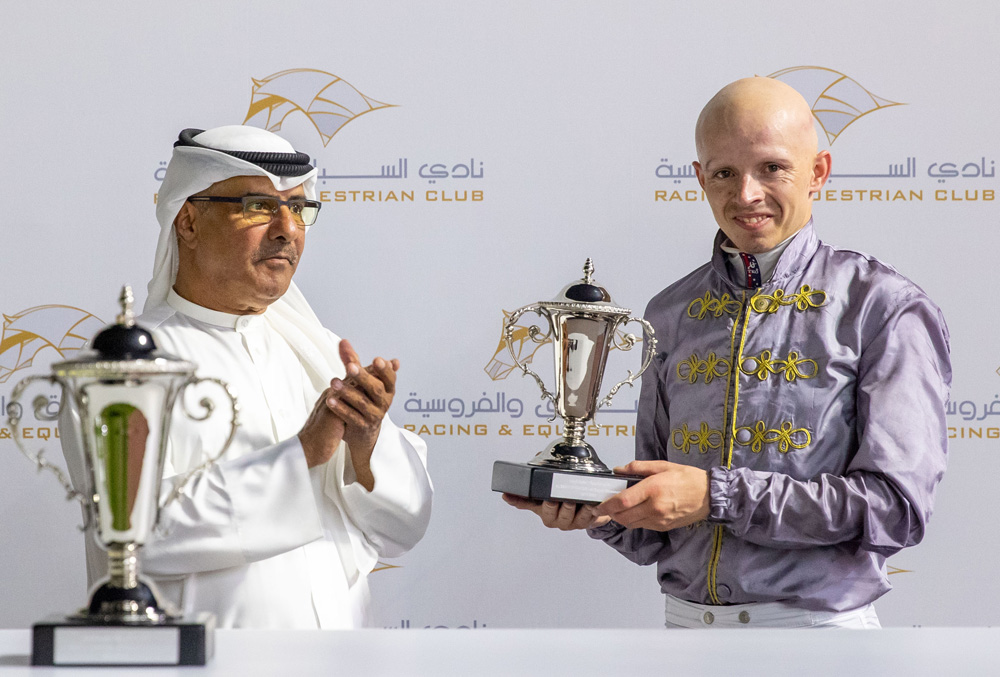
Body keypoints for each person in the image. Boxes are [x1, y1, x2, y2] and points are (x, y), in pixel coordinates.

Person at [505, 77, 951, 629]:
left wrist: (717, 495)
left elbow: (897, 509)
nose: (746, 194)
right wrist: (600, 510)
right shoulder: (671, 311)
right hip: (686, 630)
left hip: (815, 634)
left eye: (772, 168)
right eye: (724, 173)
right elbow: (655, 537)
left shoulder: (882, 306)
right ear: (700, 178)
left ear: (817, 172)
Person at [63, 125, 433, 629]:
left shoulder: (319, 352)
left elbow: (404, 527)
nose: (287, 229)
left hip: (343, 656)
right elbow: (134, 536)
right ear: (189, 222)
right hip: (206, 659)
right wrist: (303, 454)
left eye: (298, 208)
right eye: (258, 206)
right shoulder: (126, 368)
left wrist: (368, 445)